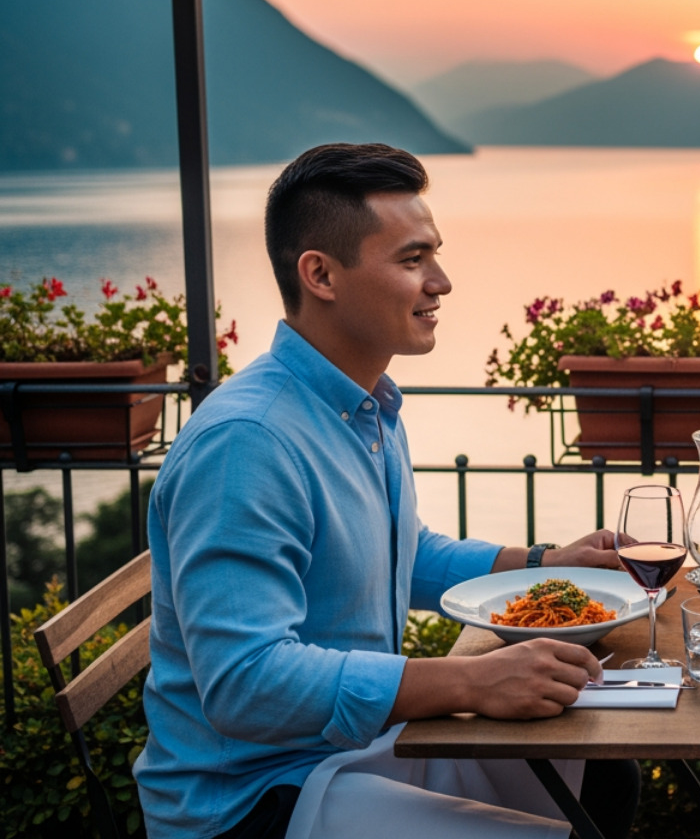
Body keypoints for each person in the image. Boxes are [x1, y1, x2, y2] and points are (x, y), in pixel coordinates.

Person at [135, 143, 638, 839]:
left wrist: (549, 564)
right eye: (412, 259)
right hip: (255, 800)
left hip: (352, 750)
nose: (441, 281)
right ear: (321, 274)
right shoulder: (246, 443)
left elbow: (404, 553)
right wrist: (469, 682)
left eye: (434, 254)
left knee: (602, 773)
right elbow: (244, 682)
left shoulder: (364, 408)